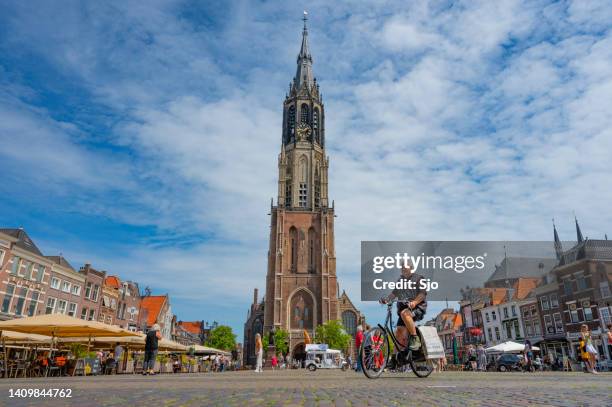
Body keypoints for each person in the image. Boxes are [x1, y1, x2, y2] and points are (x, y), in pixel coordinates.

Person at [380, 263, 428, 353]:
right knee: (398, 331)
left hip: (417, 308)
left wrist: (415, 302)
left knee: (405, 314)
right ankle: (395, 357)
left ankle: (415, 338)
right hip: (404, 310)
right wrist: (386, 300)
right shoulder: (400, 281)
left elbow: (422, 294)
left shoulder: (419, 278)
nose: (403, 270)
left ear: (411, 268)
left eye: (405, 268)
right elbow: (394, 293)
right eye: (402, 268)